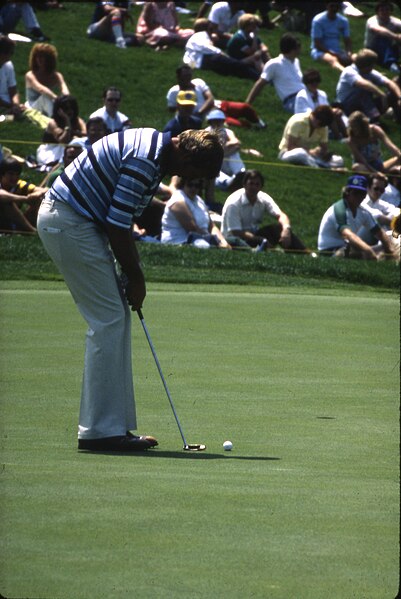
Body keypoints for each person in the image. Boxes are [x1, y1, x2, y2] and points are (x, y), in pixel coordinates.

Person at [36, 128, 224, 452]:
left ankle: (111, 427)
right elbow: (117, 225)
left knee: (115, 316)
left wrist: (131, 274)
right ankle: (99, 432)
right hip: (68, 221)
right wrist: (136, 279)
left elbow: (120, 225)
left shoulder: (157, 155)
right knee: (108, 318)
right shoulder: (145, 161)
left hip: (78, 222)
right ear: (185, 154)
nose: (189, 177)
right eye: (194, 171)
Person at [221, 168, 308, 252]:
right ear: (244, 184)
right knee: (239, 241)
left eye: (257, 184)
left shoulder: (263, 198)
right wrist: (261, 240)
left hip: (253, 235)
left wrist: (286, 230)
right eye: (251, 183)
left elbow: (281, 215)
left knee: (278, 229)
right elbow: (236, 232)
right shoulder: (234, 203)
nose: (254, 187)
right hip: (234, 240)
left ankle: (304, 253)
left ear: (261, 186)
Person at [317, 174, 396, 258]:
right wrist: (368, 251)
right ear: (347, 192)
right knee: (354, 252)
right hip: (329, 252)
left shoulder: (363, 212)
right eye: (355, 193)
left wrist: (389, 251)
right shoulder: (339, 209)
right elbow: (347, 234)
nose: (359, 196)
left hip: (346, 247)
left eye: (362, 193)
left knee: (383, 246)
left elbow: (380, 233)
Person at [166, 64, 265, 128]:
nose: (188, 79)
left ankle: (261, 125)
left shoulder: (198, 82)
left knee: (245, 107)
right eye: (185, 77)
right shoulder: (174, 92)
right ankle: (251, 127)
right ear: (178, 77)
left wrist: (199, 112)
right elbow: (173, 110)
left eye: (189, 76)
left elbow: (210, 99)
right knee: (234, 124)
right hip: (210, 115)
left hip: (219, 105)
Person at [161, 177, 231, 247]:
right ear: (183, 185)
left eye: (197, 186)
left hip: (202, 239)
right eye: (190, 185)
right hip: (179, 240)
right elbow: (192, 228)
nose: (193, 188)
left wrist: (222, 241)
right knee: (204, 246)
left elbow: (211, 226)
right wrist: (215, 241)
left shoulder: (199, 200)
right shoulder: (177, 200)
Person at [335, 48, 401, 123]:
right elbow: (362, 83)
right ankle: (371, 118)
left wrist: (400, 97)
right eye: (373, 64)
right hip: (347, 107)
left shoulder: (369, 72)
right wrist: (381, 95)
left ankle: (397, 117)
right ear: (368, 65)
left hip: (364, 104)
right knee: (363, 94)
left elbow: (389, 82)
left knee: (393, 92)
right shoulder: (349, 71)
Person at [183, 18, 259, 80]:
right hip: (212, 58)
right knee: (238, 65)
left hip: (204, 63)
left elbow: (189, 60)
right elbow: (206, 47)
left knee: (232, 69)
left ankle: (253, 71)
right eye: (210, 29)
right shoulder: (202, 34)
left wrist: (193, 66)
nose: (212, 31)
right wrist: (220, 52)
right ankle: (258, 77)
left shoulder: (194, 39)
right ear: (206, 29)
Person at [245, 33, 304, 113]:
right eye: (298, 46)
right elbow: (260, 84)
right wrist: (247, 104)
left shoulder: (296, 61)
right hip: (292, 99)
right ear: (292, 49)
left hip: (306, 95)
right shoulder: (274, 64)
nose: (300, 49)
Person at [278, 104, 344, 169]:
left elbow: (324, 148)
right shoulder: (298, 122)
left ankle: (320, 164)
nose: (321, 127)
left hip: (309, 154)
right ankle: (319, 167)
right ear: (317, 120)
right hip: (287, 152)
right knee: (301, 153)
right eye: (320, 125)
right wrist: (311, 152)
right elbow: (290, 147)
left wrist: (322, 153)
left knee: (339, 160)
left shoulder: (323, 127)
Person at [293, 68, 347, 139]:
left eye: (317, 81)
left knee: (336, 114)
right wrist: (329, 112)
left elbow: (327, 107)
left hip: (321, 120)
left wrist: (335, 110)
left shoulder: (322, 94)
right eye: (311, 81)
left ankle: (346, 136)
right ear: (306, 82)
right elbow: (308, 113)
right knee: (331, 115)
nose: (314, 84)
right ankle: (338, 138)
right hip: (308, 122)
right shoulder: (301, 96)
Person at [0, 155, 47, 231]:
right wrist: (25, 199)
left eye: (17, 174)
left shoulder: (20, 184)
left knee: (39, 199)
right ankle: (31, 231)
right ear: (2, 174)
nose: (14, 178)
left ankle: (23, 228)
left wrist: (35, 195)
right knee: (8, 202)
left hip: (10, 221)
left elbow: (45, 190)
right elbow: (1, 195)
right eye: (11, 174)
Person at [36, 94, 86, 166]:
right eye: (66, 109)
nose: (69, 111)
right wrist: (67, 122)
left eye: (71, 108)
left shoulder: (77, 120)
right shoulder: (53, 123)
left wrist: (74, 135)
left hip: (69, 147)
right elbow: (63, 140)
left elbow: (86, 134)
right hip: (52, 150)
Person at [346, 110, 401, 174]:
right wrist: (375, 173)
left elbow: (390, 145)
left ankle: (386, 174)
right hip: (365, 166)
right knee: (356, 167)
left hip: (379, 164)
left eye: (355, 127)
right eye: (351, 127)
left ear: (362, 126)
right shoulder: (351, 140)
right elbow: (362, 160)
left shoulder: (375, 130)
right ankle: (375, 176)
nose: (353, 130)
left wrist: (399, 154)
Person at [24, 42, 69, 117]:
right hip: (32, 106)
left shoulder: (56, 75)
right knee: (45, 98)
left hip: (48, 105)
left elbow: (64, 88)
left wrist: (66, 98)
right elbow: (41, 89)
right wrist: (56, 98)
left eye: (42, 57)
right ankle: (55, 121)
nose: (39, 59)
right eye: (37, 56)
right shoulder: (30, 75)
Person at [205, 108, 245, 190]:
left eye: (220, 121)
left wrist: (221, 151)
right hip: (214, 162)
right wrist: (227, 148)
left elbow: (236, 143)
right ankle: (228, 182)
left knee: (234, 154)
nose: (218, 123)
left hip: (224, 158)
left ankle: (241, 175)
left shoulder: (227, 131)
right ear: (210, 122)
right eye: (215, 121)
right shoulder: (206, 133)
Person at [310, 1, 352, 72]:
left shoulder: (343, 21)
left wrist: (348, 53)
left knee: (357, 58)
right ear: (327, 6)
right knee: (332, 60)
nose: (334, 8)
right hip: (320, 51)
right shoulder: (318, 20)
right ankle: (346, 73)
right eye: (332, 6)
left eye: (336, 6)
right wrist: (334, 54)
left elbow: (347, 40)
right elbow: (317, 44)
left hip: (338, 51)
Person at [359, 173, 400, 242]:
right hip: (358, 237)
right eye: (376, 189)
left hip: (374, 238)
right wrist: (396, 225)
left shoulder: (379, 203)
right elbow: (377, 217)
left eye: (382, 190)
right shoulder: (361, 201)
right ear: (368, 187)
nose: (379, 192)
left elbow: (396, 211)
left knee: (395, 214)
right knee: (376, 221)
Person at [364, 1, 401, 73]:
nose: (385, 12)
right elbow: (378, 30)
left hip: (389, 48)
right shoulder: (372, 20)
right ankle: (392, 65)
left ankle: (392, 62)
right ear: (377, 12)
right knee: (382, 38)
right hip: (372, 49)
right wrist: (396, 36)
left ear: (391, 11)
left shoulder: (395, 21)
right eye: (382, 10)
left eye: (387, 10)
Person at [0, 34, 24, 117]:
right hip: (4, 104)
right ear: (2, 54)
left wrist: (16, 104)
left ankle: (9, 117)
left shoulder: (8, 65)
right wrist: (11, 106)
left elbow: (13, 90)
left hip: (6, 102)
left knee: (19, 113)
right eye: (11, 53)